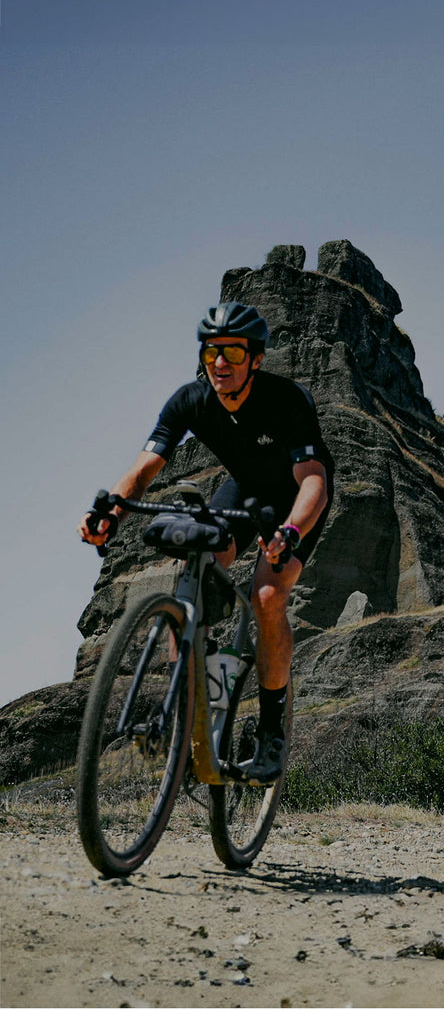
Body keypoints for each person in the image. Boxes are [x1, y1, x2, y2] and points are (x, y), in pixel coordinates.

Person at [79, 302, 335, 784]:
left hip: (297, 501)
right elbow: (143, 468)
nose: (220, 363)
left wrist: (289, 532)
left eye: (233, 352)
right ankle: (194, 713)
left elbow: (314, 481)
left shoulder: (287, 400)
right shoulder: (189, 401)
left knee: (267, 594)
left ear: (255, 359)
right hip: (244, 491)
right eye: (212, 351)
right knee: (191, 582)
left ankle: (271, 732)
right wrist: (109, 512)